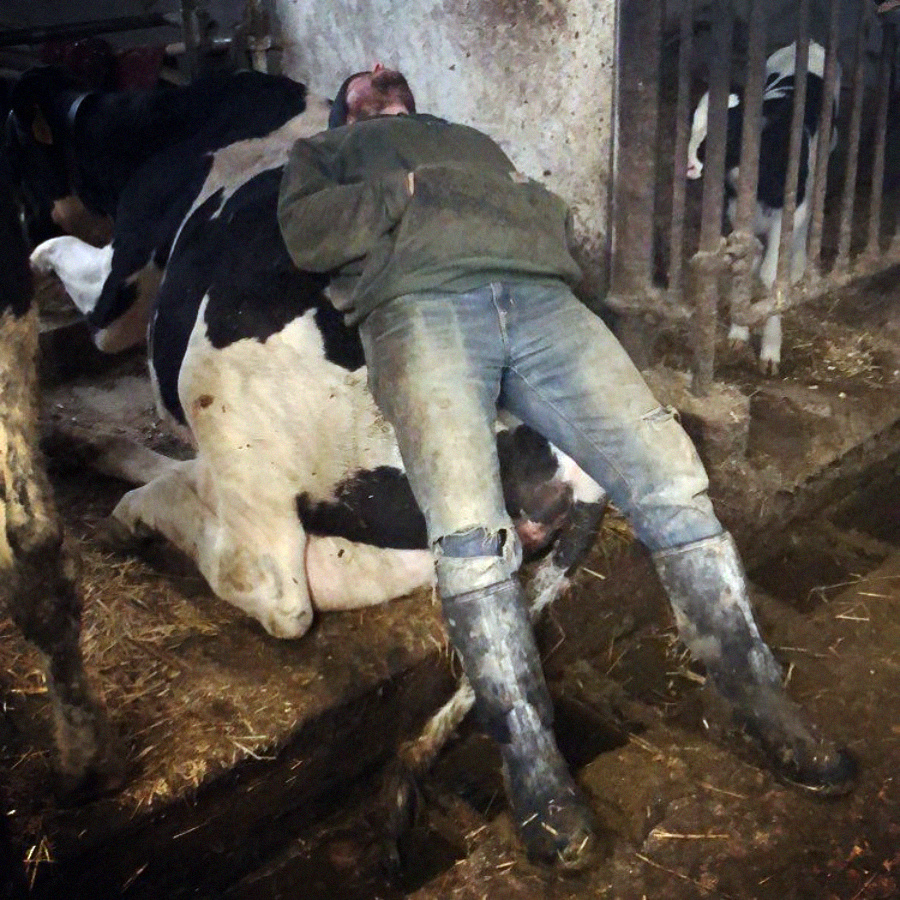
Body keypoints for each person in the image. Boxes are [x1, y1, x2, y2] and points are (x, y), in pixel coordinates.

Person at [277, 65, 856, 869]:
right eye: (363, 80)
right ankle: (530, 760)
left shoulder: (467, 140)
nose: (378, 75)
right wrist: (406, 192)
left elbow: (550, 221)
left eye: (388, 77)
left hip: (542, 302)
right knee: (468, 526)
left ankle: (753, 695)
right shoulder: (326, 154)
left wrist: (472, 197)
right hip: (421, 306)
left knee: (669, 469)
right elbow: (307, 235)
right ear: (348, 113)